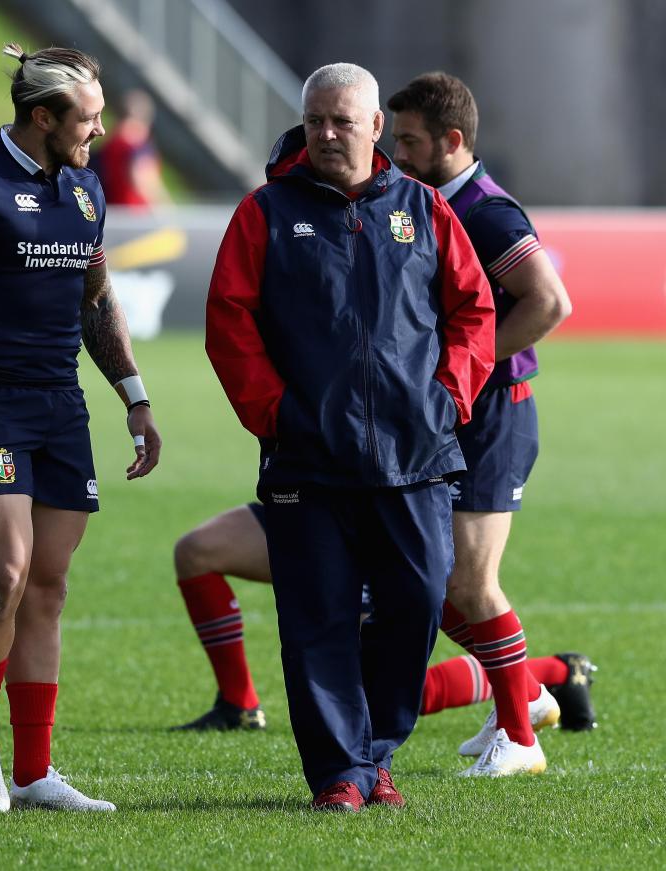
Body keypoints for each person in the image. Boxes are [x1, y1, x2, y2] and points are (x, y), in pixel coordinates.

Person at [206, 62, 495, 812]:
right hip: (308, 458)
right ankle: (343, 771)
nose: (329, 134)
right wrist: (275, 414)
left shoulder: (425, 208)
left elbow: (474, 312)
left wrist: (447, 396)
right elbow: (229, 324)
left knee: (417, 601)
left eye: (343, 121)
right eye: (316, 122)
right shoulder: (265, 212)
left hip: (418, 457)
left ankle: (375, 752)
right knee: (318, 620)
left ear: (376, 129)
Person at [0, 43, 161, 814]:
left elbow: (97, 301)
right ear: (41, 117)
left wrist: (135, 396)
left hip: (61, 404)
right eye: (87, 119)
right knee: (5, 574)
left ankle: (35, 769)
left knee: (47, 587)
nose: (100, 130)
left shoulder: (85, 188)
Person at [388, 71, 575, 775]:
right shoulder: (432, 200)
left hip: (497, 413)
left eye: (409, 141)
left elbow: (548, 302)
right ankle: (520, 698)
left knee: (467, 580)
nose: (397, 153)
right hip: (456, 412)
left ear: (452, 141)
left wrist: (466, 362)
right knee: (430, 580)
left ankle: (522, 739)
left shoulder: (489, 212)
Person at [171, 502, 597, 733]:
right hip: (312, 496)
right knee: (198, 551)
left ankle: (556, 671)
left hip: (389, 505)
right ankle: (239, 705)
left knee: (369, 694)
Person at [95, 89, 171, 207]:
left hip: (109, 213)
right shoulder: (137, 143)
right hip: (135, 218)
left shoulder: (111, 141)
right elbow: (144, 181)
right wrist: (168, 215)